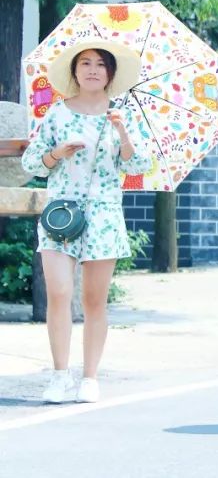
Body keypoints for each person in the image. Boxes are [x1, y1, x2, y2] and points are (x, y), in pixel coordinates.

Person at [22, 38, 149, 404]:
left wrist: (123, 132)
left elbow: (138, 166)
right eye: (85, 64)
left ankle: (90, 376)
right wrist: (56, 154)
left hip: (105, 213)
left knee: (94, 300)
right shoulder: (58, 114)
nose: (92, 69)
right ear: (75, 72)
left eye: (100, 64)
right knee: (59, 294)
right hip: (62, 214)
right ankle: (60, 375)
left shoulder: (122, 116)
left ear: (110, 73)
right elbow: (31, 164)